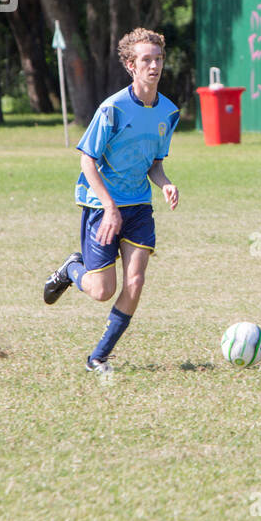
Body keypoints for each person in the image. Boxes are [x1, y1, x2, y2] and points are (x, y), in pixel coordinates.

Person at [42, 28, 180, 375]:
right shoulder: (112, 109)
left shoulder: (168, 112)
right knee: (103, 290)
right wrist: (109, 207)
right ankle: (72, 269)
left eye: (158, 59)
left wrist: (164, 184)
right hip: (101, 204)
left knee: (135, 282)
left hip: (138, 206)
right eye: (146, 60)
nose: (154, 66)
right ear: (131, 65)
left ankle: (98, 357)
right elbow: (87, 161)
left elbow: (154, 164)